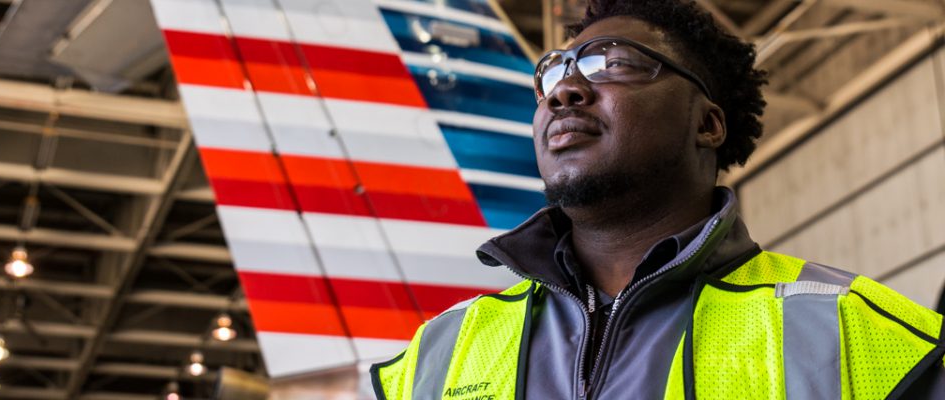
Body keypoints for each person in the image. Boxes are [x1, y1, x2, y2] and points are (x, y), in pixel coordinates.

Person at [370, 0, 945, 398]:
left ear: (708, 124)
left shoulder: (860, 337)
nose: (565, 90)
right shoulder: (434, 356)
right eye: (553, 74)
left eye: (613, 63)